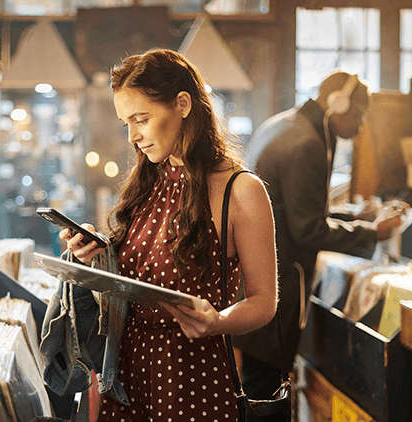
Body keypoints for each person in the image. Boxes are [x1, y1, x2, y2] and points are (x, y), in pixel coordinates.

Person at [59, 48, 278, 420]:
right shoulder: (149, 181)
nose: (133, 136)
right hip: (124, 371)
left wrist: (219, 322)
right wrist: (96, 256)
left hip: (191, 374)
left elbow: (264, 302)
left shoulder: (240, 190)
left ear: (182, 104)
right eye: (126, 123)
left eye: (141, 119)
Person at [232, 70, 404, 400]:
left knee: (257, 385)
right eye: (360, 113)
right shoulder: (308, 143)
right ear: (337, 105)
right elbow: (308, 229)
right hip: (278, 283)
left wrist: (357, 216)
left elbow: (297, 210)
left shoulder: (285, 124)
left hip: (253, 276)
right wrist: (371, 233)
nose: (362, 125)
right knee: (265, 394)